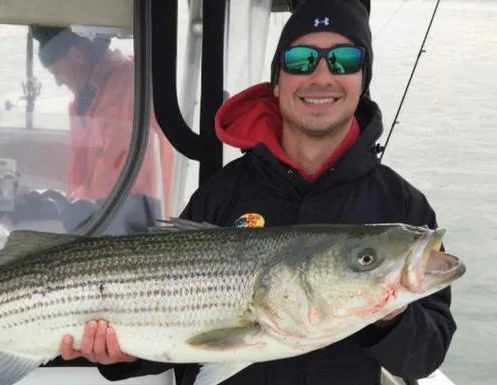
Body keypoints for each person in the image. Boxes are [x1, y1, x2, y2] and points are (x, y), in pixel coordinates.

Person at [57, 0, 458, 384]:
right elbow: (173, 333)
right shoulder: (222, 193)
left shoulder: (402, 207)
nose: (321, 77)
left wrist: (388, 311)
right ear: (278, 83)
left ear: (362, 80)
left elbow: (427, 355)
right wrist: (121, 356)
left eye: (345, 60)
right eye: (300, 61)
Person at [29, 26, 174, 230]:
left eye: (57, 72)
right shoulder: (94, 92)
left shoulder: (124, 89)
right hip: (107, 217)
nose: (58, 82)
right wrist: (68, 202)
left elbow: (115, 175)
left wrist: (69, 207)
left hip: (133, 224)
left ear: (75, 54)